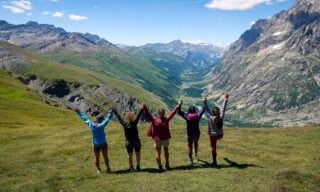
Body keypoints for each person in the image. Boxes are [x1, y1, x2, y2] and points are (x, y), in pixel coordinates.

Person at [143, 101, 182, 172]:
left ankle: (160, 166)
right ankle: (167, 164)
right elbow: (172, 113)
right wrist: (178, 105)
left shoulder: (154, 120)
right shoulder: (166, 119)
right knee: (166, 150)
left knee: (158, 152)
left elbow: (148, 115)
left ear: (158, 113)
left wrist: (144, 107)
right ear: (163, 113)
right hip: (165, 139)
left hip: (157, 139)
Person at [73, 106, 113, 173]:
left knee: (96, 157)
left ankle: (98, 170)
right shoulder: (102, 125)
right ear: (101, 120)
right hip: (103, 143)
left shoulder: (91, 125)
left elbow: (84, 118)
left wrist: (78, 112)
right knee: (105, 157)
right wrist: (111, 111)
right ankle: (108, 168)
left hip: (95, 144)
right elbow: (108, 118)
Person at [112, 104, 144, 172]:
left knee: (130, 155)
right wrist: (142, 108)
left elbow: (119, 118)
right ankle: (138, 167)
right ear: (132, 117)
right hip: (136, 141)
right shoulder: (134, 123)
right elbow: (138, 115)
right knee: (137, 154)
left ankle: (131, 167)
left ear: (127, 118)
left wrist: (114, 110)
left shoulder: (125, 124)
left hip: (128, 142)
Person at [203, 93, 229, 167]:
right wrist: (226, 99)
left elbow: (206, 108)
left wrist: (204, 101)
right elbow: (224, 109)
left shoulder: (210, 117)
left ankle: (214, 162)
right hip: (220, 135)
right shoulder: (221, 117)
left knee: (213, 147)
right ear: (219, 112)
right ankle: (214, 162)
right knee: (215, 141)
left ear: (212, 112)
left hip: (212, 135)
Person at [178, 100, 205, 168]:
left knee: (189, 146)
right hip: (197, 133)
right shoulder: (197, 116)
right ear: (195, 111)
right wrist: (204, 101)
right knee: (196, 142)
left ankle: (190, 160)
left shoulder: (187, 117)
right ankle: (195, 151)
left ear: (189, 111)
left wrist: (180, 104)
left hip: (189, 134)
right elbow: (203, 110)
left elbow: (179, 112)